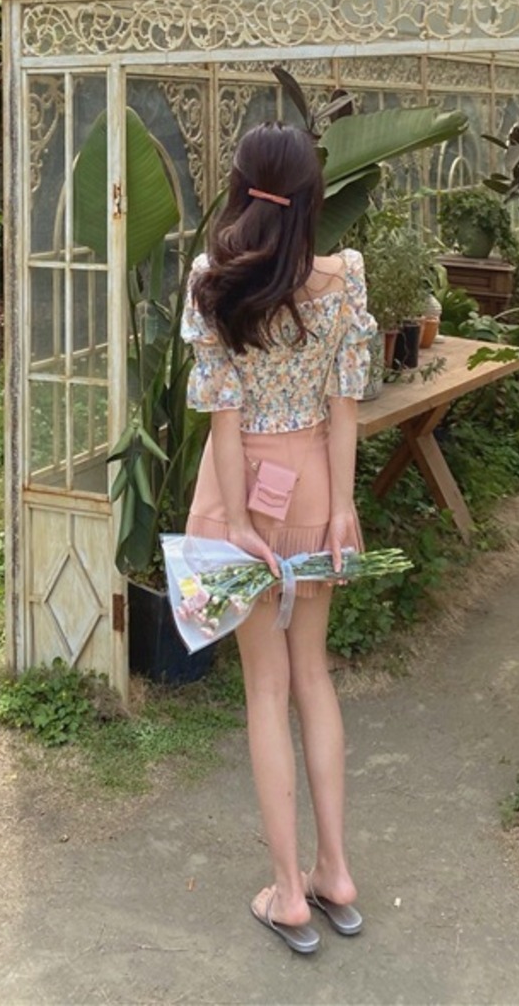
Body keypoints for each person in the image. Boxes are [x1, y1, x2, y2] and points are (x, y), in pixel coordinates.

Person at [180, 121, 378, 955]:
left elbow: (224, 421)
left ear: (240, 187)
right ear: (310, 198)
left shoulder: (213, 281)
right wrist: (341, 507)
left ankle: (289, 892)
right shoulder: (345, 278)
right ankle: (336, 871)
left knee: (265, 688)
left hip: (243, 495)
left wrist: (236, 521)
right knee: (313, 676)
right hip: (318, 488)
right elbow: (345, 404)